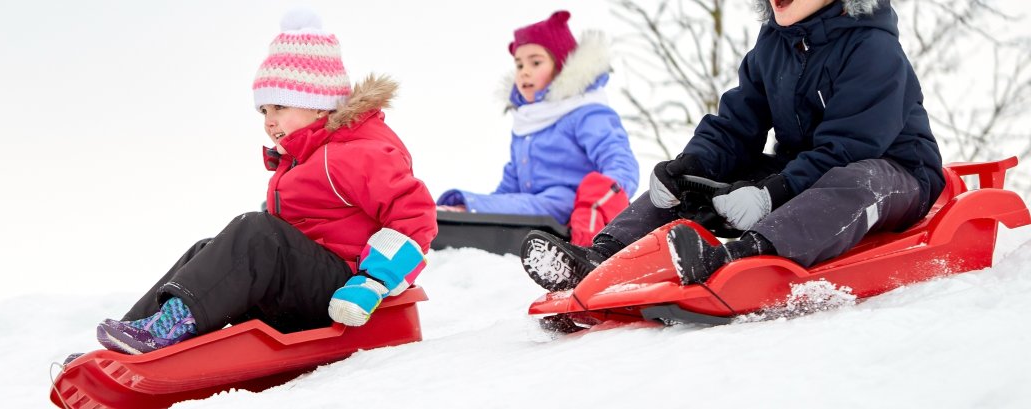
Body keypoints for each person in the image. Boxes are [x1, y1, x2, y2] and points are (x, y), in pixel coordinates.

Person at [520, 0, 944, 291]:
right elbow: (736, 124)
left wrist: (772, 193)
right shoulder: (773, 44)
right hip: (804, 173)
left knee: (855, 179)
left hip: (895, 173)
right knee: (698, 179)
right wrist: (689, 164)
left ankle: (744, 257)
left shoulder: (874, 49)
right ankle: (599, 257)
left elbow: (850, 147)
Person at [92, 8, 438, 355]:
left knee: (256, 233)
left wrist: (374, 282)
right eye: (264, 112)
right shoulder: (305, 158)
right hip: (306, 289)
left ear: (319, 105)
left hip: (347, 292)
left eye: (280, 107)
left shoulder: (356, 152)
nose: (269, 122)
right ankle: (130, 339)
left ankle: (169, 328)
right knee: (207, 249)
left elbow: (415, 218)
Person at [436, 11, 639, 243]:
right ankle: (462, 216)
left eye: (535, 62)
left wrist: (602, 198)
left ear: (561, 65)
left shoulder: (586, 112)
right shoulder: (528, 122)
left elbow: (620, 161)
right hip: (531, 207)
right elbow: (512, 184)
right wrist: (486, 210)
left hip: (572, 206)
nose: (524, 71)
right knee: (514, 203)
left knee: (544, 200)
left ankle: (465, 210)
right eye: (519, 64)